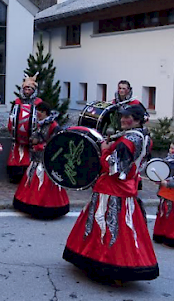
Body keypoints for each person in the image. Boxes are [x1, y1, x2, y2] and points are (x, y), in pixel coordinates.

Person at [63, 103, 159, 282]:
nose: (122, 120)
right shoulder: (145, 137)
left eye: (127, 117)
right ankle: (124, 263)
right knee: (125, 230)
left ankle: (105, 265)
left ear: (136, 120)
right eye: (122, 116)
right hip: (127, 188)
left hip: (111, 189)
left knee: (105, 227)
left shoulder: (128, 141)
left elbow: (112, 167)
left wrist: (104, 150)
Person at [13, 102, 69, 219]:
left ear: (45, 113)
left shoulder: (53, 126)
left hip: (46, 161)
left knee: (43, 183)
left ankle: (44, 207)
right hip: (37, 159)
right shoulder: (40, 124)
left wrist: (41, 146)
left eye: (40, 112)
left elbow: (56, 143)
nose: (38, 114)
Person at [6, 73, 43, 184]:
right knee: (16, 154)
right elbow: (13, 116)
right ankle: (15, 175)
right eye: (26, 88)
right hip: (18, 136)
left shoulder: (38, 102)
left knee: (30, 156)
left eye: (30, 88)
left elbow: (41, 117)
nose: (27, 90)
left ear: (33, 90)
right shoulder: (18, 101)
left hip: (32, 137)